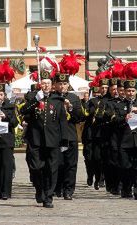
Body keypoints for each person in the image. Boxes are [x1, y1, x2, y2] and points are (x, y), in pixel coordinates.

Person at [20, 70, 69, 208]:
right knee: (36, 167)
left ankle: (48, 196)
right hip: (36, 139)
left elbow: (62, 121)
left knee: (52, 169)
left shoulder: (57, 100)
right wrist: (36, 99)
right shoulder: (34, 98)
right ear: (40, 84)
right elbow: (23, 111)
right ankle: (39, 189)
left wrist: (64, 140)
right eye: (43, 83)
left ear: (52, 85)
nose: (46, 86)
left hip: (52, 140)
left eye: (48, 83)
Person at [114, 63, 137, 200]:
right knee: (126, 167)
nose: (130, 93)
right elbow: (115, 122)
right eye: (128, 91)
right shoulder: (120, 105)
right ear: (124, 91)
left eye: (133, 91)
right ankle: (126, 189)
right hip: (125, 141)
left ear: (136, 91)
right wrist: (124, 118)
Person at [53, 71, 83, 200]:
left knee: (71, 164)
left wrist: (70, 108)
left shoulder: (74, 98)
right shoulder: (52, 98)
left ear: (68, 85)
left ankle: (69, 190)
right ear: (55, 85)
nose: (62, 86)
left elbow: (79, 118)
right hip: (56, 137)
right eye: (59, 83)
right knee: (58, 163)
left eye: (64, 83)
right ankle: (57, 188)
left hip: (70, 137)